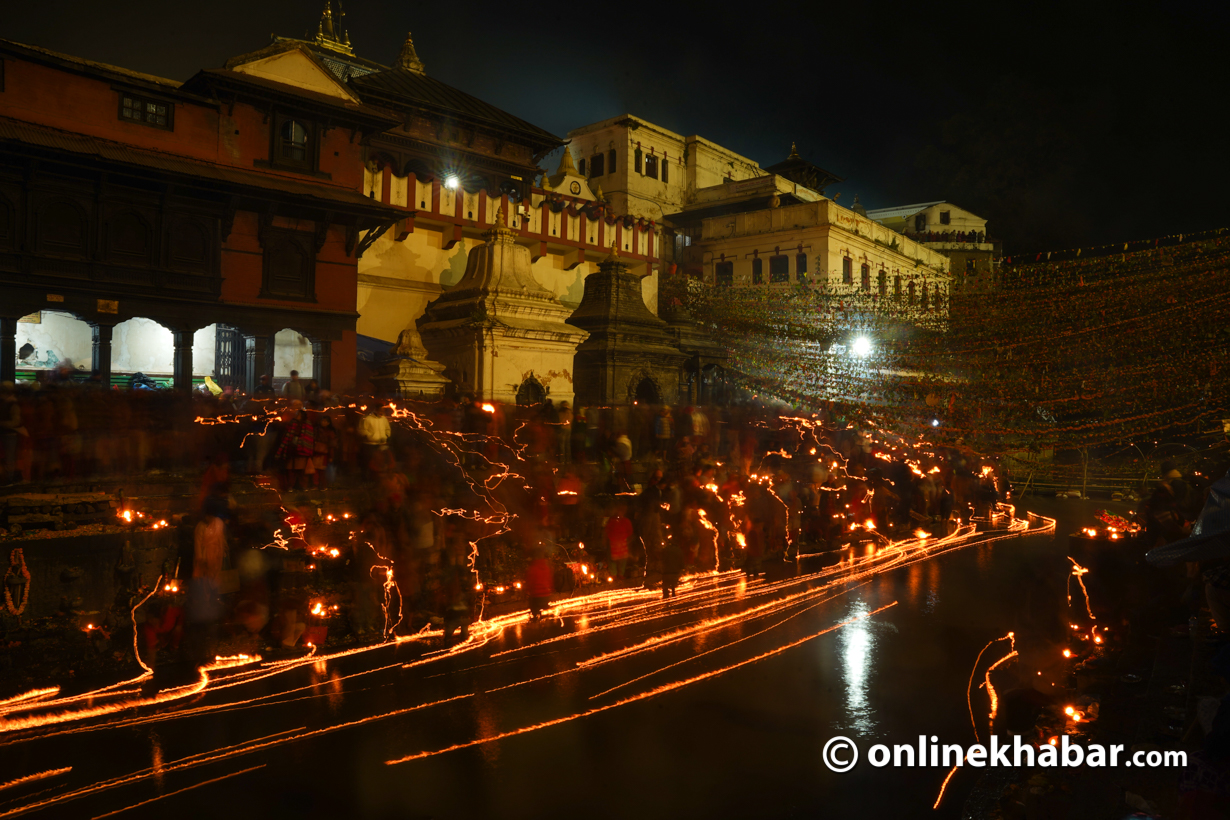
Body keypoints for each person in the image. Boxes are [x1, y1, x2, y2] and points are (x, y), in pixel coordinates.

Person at [605, 502, 634, 582]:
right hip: (613, 542)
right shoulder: (612, 521)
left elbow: (630, 532)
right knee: (613, 559)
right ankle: (614, 574)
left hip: (622, 542)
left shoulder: (626, 521)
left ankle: (620, 574)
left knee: (622, 559)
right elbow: (607, 530)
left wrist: (627, 539)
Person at [525, 549, 554, 620]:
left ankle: (535, 617)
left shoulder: (532, 568)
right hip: (546, 594)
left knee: (532, 606)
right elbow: (550, 580)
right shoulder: (546, 567)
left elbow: (530, 581)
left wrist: (527, 591)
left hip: (536, 595)